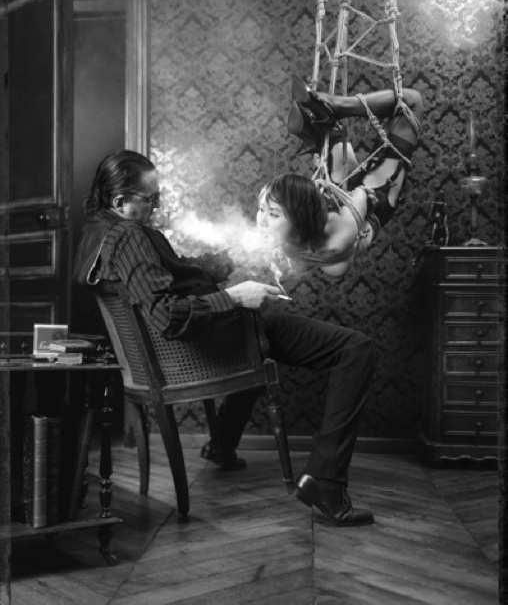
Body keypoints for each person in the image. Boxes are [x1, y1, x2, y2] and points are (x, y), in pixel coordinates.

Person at [73, 149, 375, 527]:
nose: (157, 207)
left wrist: (233, 256)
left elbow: (175, 279)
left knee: (258, 341)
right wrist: (234, 297)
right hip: (200, 348)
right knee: (356, 348)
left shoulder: (98, 232)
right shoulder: (129, 237)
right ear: (120, 201)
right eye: (150, 199)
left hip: (192, 346)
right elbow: (167, 315)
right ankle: (326, 483)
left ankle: (222, 445)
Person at [266, 76, 423, 277]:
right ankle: (321, 123)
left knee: (411, 101)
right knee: (410, 101)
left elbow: (359, 195)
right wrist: (320, 190)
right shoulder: (334, 240)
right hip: (365, 204)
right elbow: (361, 194)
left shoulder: (301, 243)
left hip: (352, 201)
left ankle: (324, 119)